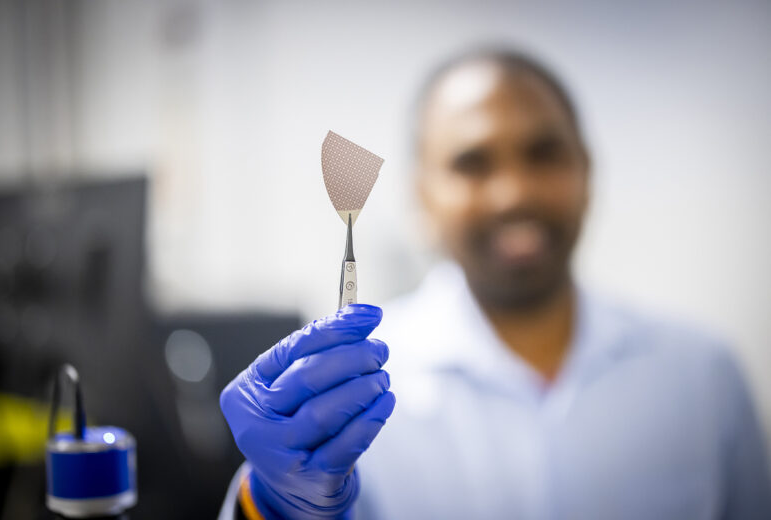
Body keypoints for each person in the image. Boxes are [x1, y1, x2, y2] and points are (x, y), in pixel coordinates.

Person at [218, 49, 771, 519]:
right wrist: (270, 504)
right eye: (472, 163)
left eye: (543, 153)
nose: (513, 193)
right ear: (422, 196)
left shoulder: (702, 376)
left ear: (586, 169)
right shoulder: (353, 391)